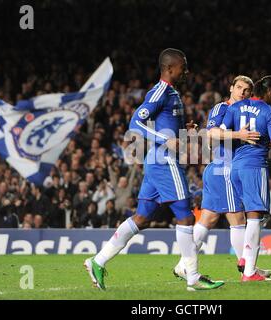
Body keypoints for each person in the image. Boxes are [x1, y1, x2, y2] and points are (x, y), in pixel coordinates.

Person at [84, 49, 224, 291]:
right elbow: (135, 123)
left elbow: (167, 125)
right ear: (170, 69)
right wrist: (164, 139)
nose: (186, 71)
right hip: (164, 161)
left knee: (142, 217)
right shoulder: (159, 91)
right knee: (186, 216)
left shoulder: (172, 94)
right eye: (183, 67)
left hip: (157, 161)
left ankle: (98, 260)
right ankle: (192, 276)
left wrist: (184, 129)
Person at [173, 75, 271, 280]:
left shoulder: (246, 112)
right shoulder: (222, 108)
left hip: (221, 169)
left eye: (247, 90)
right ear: (231, 88)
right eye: (239, 88)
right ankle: (247, 266)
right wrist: (239, 136)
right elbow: (211, 133)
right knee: (237, 218)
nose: (242, 92)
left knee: (208, 218)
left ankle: (184, 263)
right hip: (223, 167)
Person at [220, 75, 271, 282]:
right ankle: (249, 271)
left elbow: (221, 132)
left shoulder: (235, 107)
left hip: (235, 166)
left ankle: (245, 260)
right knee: (255, 216)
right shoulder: (270, 112)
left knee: (243, 217)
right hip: (255, 166)